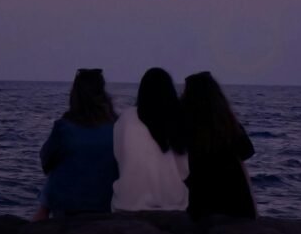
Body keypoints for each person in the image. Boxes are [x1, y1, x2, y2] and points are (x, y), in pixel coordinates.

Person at [35, 68, 118, 218]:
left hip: (68, 207)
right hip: (106, 203)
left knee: (56, 169)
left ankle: (39, 219)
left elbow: (45, 162)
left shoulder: (64, 127)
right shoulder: (116, 126)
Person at [112, 67, 189, 211]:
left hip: (128, 203)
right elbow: (184, 170)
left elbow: (118, 156)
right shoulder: (176, 120)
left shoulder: (126, 118)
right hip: (172, 203)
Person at [181, 71, 256, 219]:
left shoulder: (184, 121)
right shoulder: (227, 122)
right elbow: (247, 151)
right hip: (234, 198)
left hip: (200, 197)